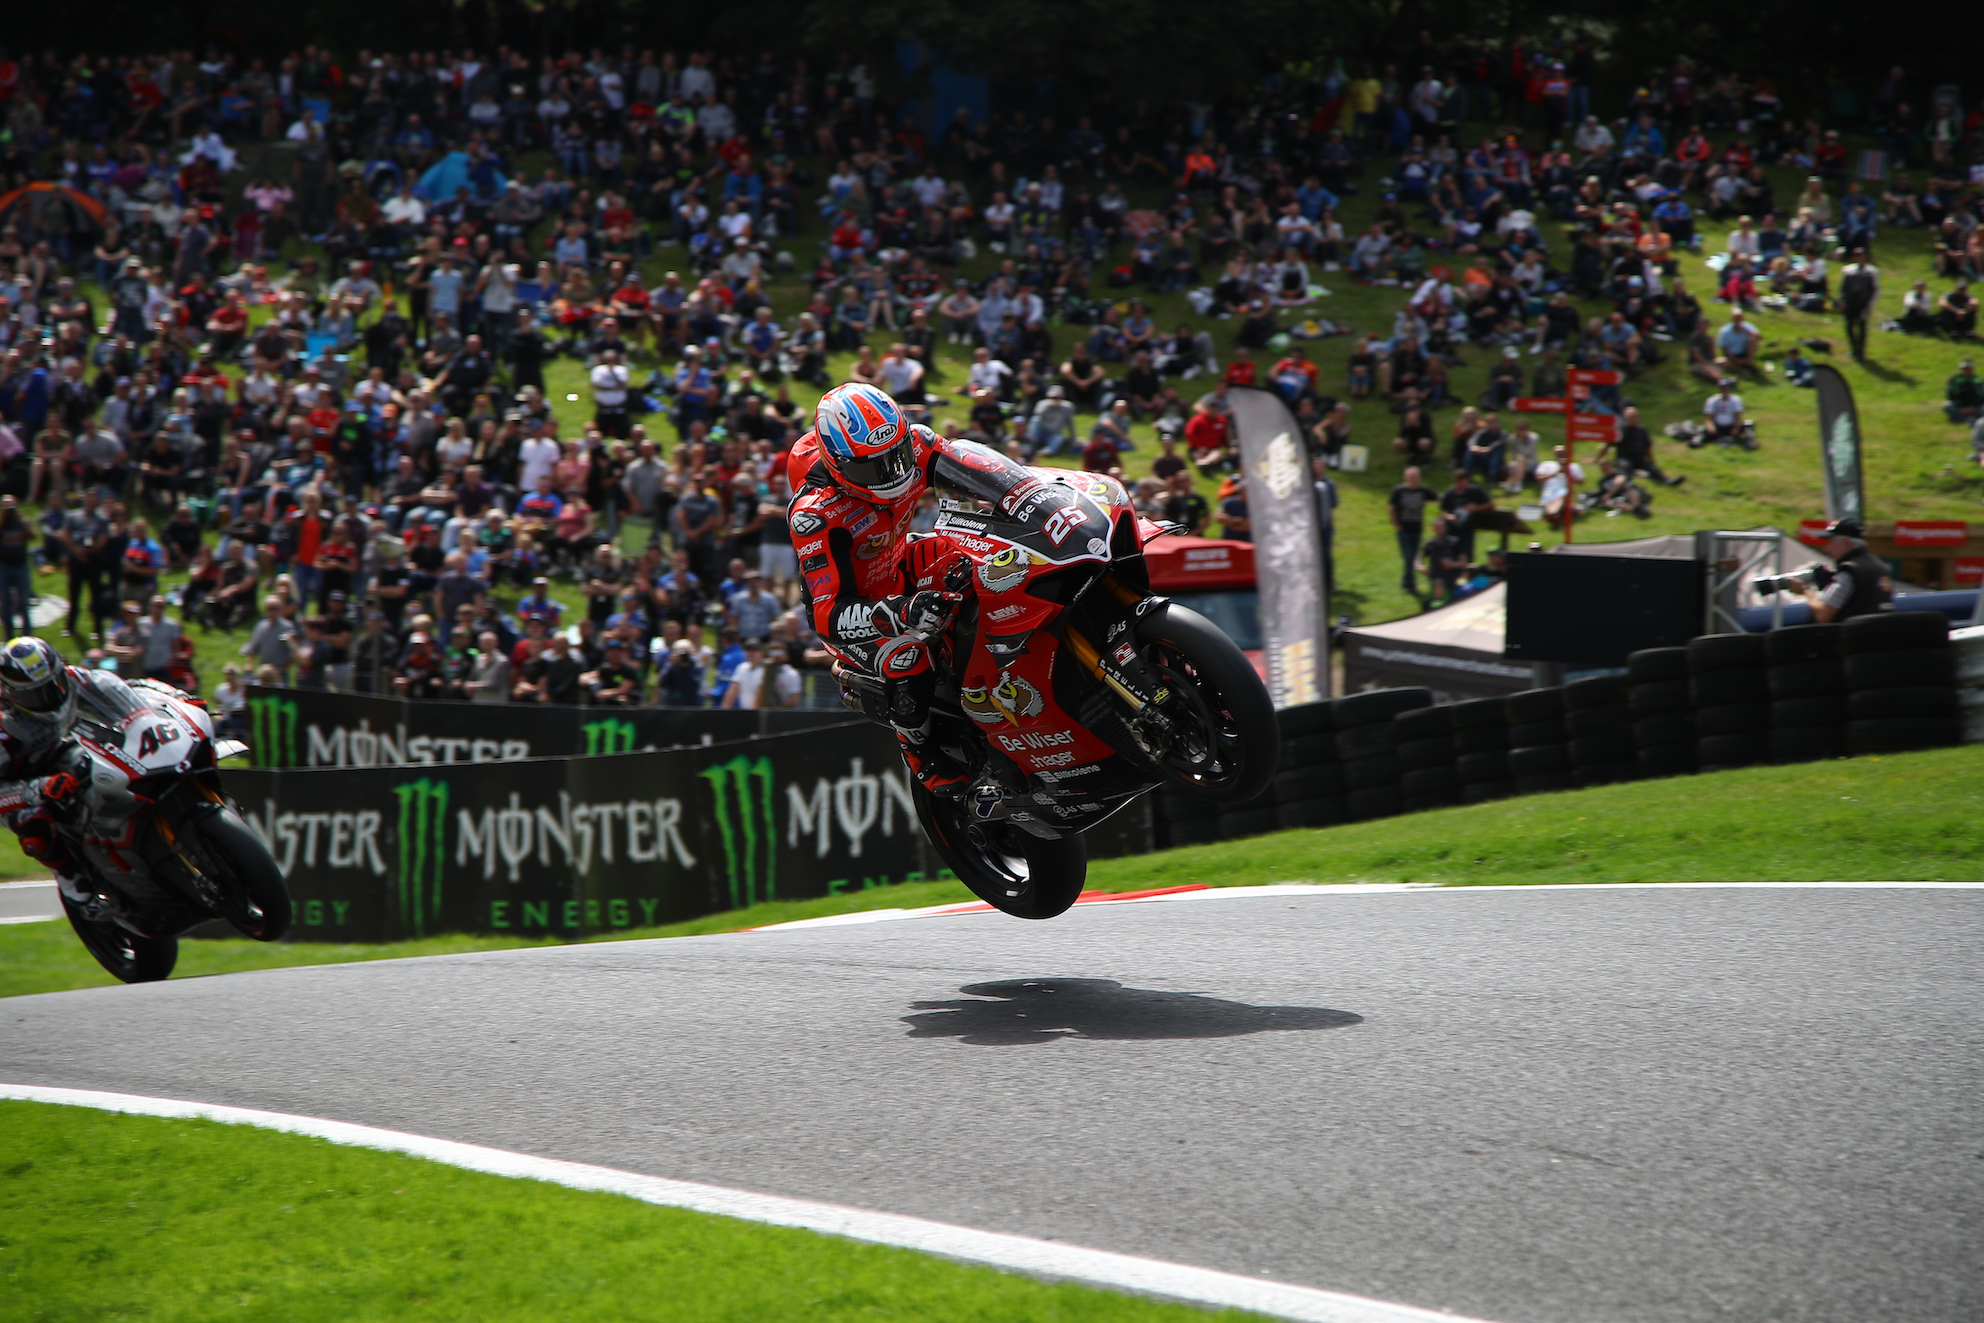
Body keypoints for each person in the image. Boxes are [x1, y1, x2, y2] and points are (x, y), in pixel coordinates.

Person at [785, 382, 982, 794]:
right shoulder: (814, 515)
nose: (893, 473)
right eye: (873, 467)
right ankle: (917, 748)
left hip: (899, 561)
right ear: (839, 465)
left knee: (977, 557)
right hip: (854, 613)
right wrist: (899, 613)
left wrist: (1033, 495)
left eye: (897, 457)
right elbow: (825, 615)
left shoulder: (917, 444)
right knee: (907, 655)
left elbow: (983, 472)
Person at [0, 638, 100, 900]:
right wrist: (37, 789)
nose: (51, 697)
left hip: (63, 749)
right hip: (17, 782)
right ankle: (68, 877)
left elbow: (115, 692)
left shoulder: (69, 677)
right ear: (10, 693)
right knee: (34, 826)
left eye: (53, 684)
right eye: (36, 694)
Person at [1793, 519, 1892, 622]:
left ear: (1845, 541)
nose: (1826, 549)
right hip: (1878, 634)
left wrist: (1805, 590)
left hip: (1853, 636)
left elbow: (1823, 614)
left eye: (1830, 541)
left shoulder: (1850, 572)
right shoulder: (1881, 567)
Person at [1388, 466, 1431, 596]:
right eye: (1410, 477)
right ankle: (1411, 586)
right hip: (1404, 530)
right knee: (1409, 557)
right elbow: (1391, 508)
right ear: (1405, 478)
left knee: (1411, 558)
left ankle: (1406, 583)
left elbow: (1438, 497)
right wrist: (1397, 525)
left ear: (1419, 478)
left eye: (1415, 477)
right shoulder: (1398, 491)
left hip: (1417, 530)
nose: (1412, 479)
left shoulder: (1423, 490)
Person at [1839, 249, 1878, 360]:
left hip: (1862, 303)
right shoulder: (1849, 271)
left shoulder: (1870, 273)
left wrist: (1870, 303)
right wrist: (1843, 300)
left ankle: (1861, 351)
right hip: (1850, 302)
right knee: (1849, 326)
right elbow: (1844, 288)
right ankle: (1854, 349)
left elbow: (1873, 289)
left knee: (1861, 327)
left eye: (1861, 255)